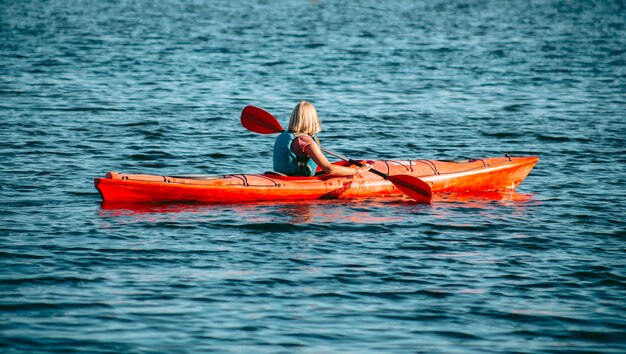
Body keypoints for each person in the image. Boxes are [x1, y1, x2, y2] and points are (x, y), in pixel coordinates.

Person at [273, 101, 372, 177]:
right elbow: (330, 169)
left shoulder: (284, 136)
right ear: (313, 119)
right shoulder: (306, 141)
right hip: (295, 181)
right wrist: (358, 171)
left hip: (279, 177)